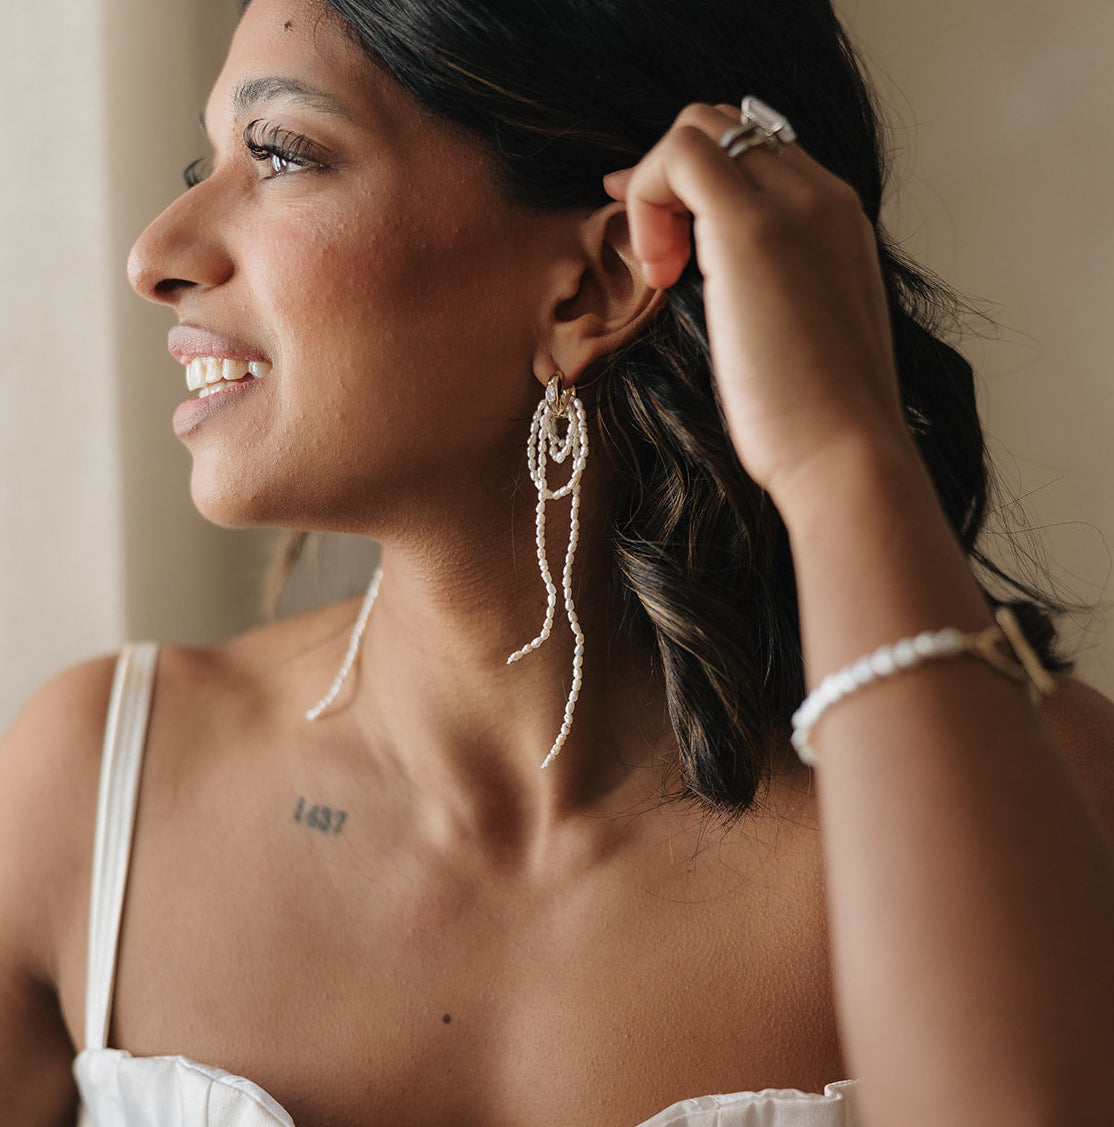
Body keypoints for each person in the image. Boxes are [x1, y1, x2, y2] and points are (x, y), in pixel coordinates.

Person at [2, 0, 1112, 1124]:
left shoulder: (1049, 794)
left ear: (594, 284)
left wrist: (839, 452)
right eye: (206, 162)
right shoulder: (86, 793)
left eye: (281, 153)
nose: (153, 254)